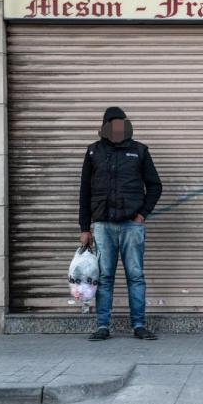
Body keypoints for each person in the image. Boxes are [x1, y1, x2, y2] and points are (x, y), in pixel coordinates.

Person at [78, 107, 162, 341]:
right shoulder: (93, 152)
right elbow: (85, 191)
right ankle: (102, 326)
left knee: (135, 276)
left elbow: (155, 186)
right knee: (104, 277)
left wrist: (141, 215)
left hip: (131, 226)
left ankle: (139, 325)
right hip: (103, 226)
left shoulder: (139, 151)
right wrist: (84, 228)